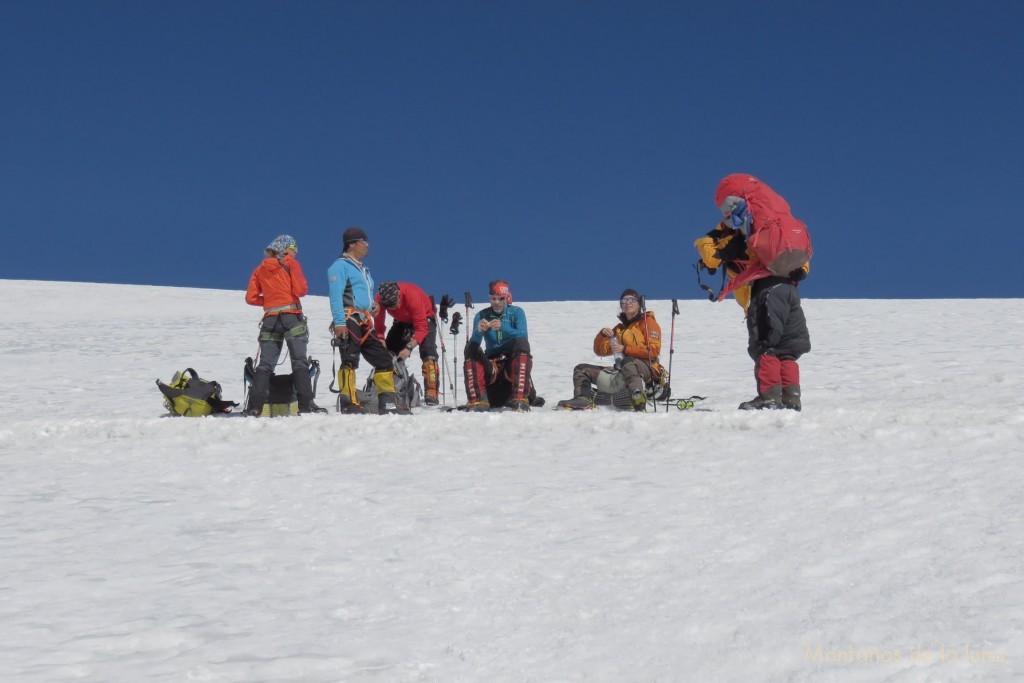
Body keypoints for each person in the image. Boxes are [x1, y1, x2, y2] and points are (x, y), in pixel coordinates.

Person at [695, 174, 811, 410]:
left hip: (764, 289)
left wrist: (707, 247)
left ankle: (769, 397)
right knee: (787, 349)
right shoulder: (775, 220)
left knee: (765, 344)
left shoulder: (731, 231)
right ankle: (791, 398)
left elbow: (712, 258)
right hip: (789, 288)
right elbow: (801, 261)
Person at [327, 227, 408, 414]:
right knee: (349, 359)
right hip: (349, 319)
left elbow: (361, 295)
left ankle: (388, 403)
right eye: (363, 242)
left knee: (384, 360)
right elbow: (335, 296)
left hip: (363, 320)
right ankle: (348, 403)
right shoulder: (339, 266)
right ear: (352, 244)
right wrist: (339, 322)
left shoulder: (363, 269)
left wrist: (373, 305)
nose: (367, 245)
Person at [244, 234, 326, 416]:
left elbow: (250, 298)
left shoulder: (259, 270)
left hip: (270, 319)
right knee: (299, 361)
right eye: (294, 248)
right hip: (291, 316)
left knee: (265, 365)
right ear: (285, 248)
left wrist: (269, 302)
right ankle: (305, 405)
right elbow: (300, 290)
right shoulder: (291, 264)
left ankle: (255, 407)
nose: (296, 252)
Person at [558, 289, 664, 411]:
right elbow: (600, 350)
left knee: (628, 362)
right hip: (621, 371)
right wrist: (602, 334)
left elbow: (653, 351)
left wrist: (625, 349)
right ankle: (582, 399)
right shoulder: (619, 329)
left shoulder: (647, 322)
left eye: (632, 300)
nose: (627, 303)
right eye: (624, 301)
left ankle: (638, 402)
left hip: (647, 368)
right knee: (581, 369)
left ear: (639, 303)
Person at [463, 279, 539, 412]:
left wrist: (503, 328)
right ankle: (477, 401)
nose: (497, 303)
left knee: (521, 344)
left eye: (501, 298)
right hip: (492, 366)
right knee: (470, 348)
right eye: (493, 298)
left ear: (507, 297)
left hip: (511, 364)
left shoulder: (516, 312)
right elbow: (474, 345)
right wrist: (478, 332)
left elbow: (523, 336)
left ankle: (520, 399)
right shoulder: (482, 315)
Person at [373, 281, 441, 405]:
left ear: (398, 294)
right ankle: (393, 385)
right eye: (390, 307)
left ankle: (432, 391)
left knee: (427, 351)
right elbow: (378, 326)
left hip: (425, 318)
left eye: (395, 304)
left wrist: (408, 347)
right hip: (402, 320)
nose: (394, 308)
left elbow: (422, 328)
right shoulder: (380, 300)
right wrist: (381, 340)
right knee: (389, 349)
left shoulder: (411, 295)